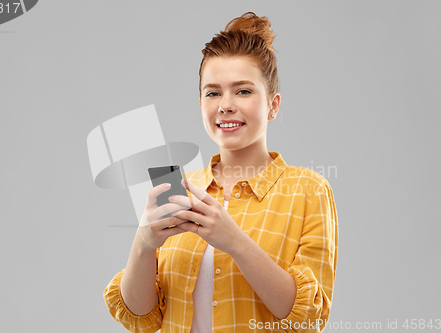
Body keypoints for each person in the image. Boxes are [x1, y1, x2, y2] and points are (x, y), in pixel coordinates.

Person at [104, 12, 338, 333]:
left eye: (243, 91)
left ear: (273, 105)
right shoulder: (183, 189)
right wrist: (144, 241)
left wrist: (235, 242)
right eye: (213, 92)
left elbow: (310, 317)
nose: (225, 105)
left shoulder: (308, 190)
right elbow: (141, 318)